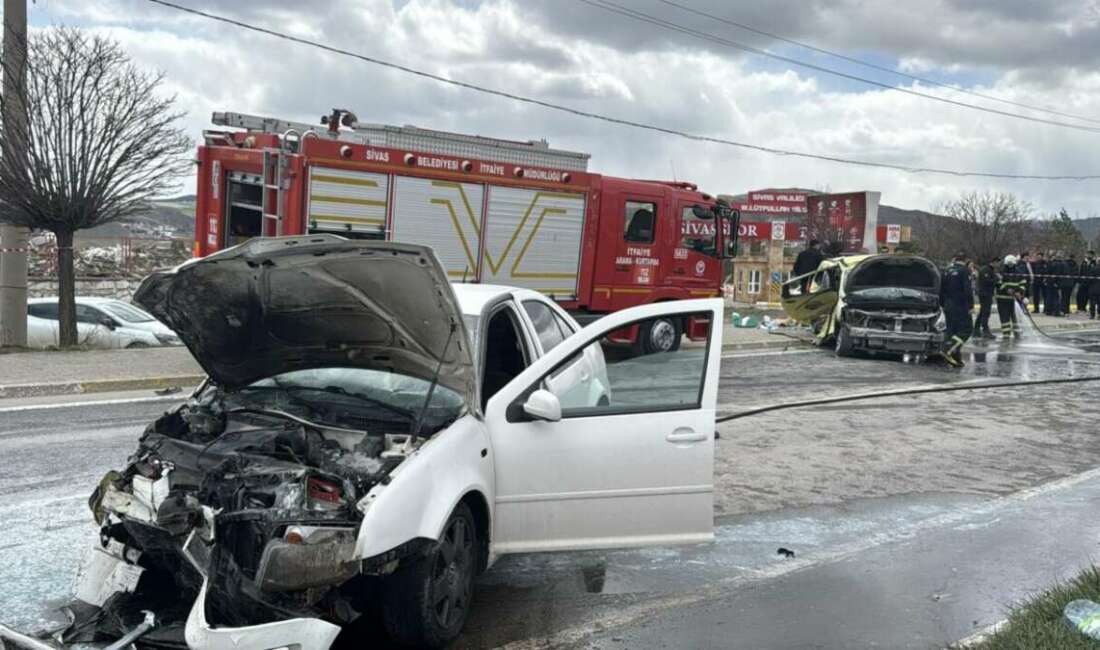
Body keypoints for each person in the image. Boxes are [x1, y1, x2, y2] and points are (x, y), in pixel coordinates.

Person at [940, 252, 974, 367]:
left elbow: (941, 289)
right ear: (965, 260)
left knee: (952, 330)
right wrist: (971, 306)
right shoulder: (965, 271)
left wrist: (942, 304)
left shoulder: (946, 271)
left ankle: (955, 356)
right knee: (966, 329)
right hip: (960, 305)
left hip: (948, 305)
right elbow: (967, 290)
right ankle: (948, 350)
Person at [996, 254, 1027, 338]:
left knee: (1015, 316)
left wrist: (1019, 292)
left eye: (1011, 264)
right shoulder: (1001, 272)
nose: (1010, 266)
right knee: (1004, 317)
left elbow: (1023, 283)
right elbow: (998, 283)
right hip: (1002, 299)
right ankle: (1006, 334)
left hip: (1013, 299)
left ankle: (1017, 333)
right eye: (1009, 264)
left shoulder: (1018, 272)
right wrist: (1007, 290)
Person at [975, 257, 998, 339]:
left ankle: (976, 329)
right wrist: (996, 279)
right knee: (986, 312)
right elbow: (987, 281)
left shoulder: (990, 270)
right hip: (985, 294)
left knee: (982, 312)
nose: (997, 264)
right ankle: (985, 330)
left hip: (987, 293)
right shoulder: (986, 270)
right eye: (996, 262)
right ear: (993, 262)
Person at [1047, 252, 1066, 316]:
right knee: (1056, 297)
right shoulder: (1059, 264)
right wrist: (1056, 282)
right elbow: (1058, 274)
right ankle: (1057, 311)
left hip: (1050, 283)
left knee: (1050, 297)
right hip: (1056, 283)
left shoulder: (1050, 263)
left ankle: (1049, 311)